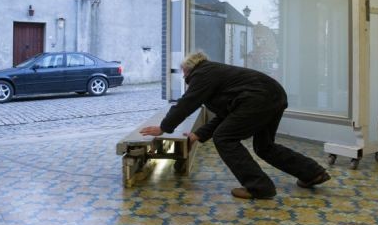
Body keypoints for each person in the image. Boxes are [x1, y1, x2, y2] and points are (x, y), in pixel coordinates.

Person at [140, 51, 330, 199]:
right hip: (273, 95)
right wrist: (197, 135)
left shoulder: (203, 73)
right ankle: (312, 173)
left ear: (189, 69)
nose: (184, 79)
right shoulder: (217, 74)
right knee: (264, 146)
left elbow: (187, 102)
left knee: (224, 138)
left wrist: (163, 127)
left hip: (258, 98)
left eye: (184, 75)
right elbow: (227, 115)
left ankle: (259, 187)